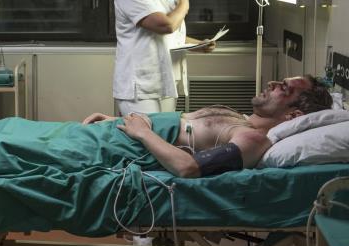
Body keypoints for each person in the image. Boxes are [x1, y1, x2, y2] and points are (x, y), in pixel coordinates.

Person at [84, 75, 332, 178]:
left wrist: (143, 132)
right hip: (116, 132)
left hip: (124, 147)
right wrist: (115, 120)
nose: (272, 83)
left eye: (283, 88)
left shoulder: (253, 139)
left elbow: (188, 167)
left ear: (293, 115)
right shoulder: (238, 118)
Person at [114, 0, 213, 117]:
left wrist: (199, 45)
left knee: (166, 133)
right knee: (145, 135)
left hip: (165, 80)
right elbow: (166, 26)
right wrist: (184, 5)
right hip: (139, 86)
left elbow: (173, 37)